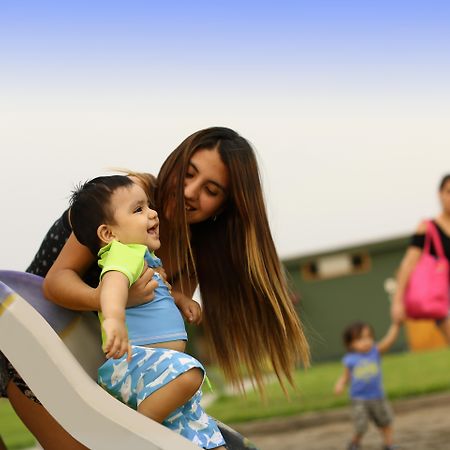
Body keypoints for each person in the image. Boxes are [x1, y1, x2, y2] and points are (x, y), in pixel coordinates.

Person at [2, 127, 309, 450]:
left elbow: (160, 329)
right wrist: (111, 301)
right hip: (39, 342)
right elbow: (56, 283)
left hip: (108, 360)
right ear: (175, 163)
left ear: (224, 205)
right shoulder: (120, 201)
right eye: (188, 174)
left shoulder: (195, 250)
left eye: (211, 190)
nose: (190, 191)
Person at [69, 174, 225, 449]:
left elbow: (159, 288)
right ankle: (138, 436)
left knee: (209, 440)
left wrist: (180, 299)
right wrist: (114, 318)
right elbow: (112, 287)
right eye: (138, 209)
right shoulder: (121, 255)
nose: (153, 214)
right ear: (109, 234)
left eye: (149, 206)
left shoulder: (145, 259)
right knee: (191, 374)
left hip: (158, 375)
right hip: (134, 365)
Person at [391, 173, 450, 342]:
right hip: (444, 299)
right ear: (440, 194)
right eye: (448, 192)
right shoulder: (427, 228)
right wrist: (397, 301)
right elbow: (408, 263)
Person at [334, 320, 401, 450]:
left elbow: (388, 341)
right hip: (359, 399)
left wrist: (396, 325)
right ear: (350, 344)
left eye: (369, 337)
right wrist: (340, 384)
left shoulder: (375, 352)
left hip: (377, 397)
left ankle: (388, 444)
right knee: (361, 425)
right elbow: (346, 376)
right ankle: (354, 443)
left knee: (385, 422)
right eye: (360, 339)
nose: (366, 341)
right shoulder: (350, 359)